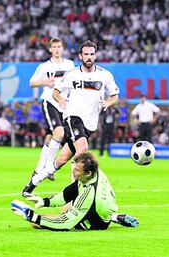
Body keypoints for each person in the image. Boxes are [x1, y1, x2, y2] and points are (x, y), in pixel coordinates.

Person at [22, 40, 119, 196]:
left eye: (92, 54)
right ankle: (79, 192)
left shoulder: (105, 75)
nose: (89, 57)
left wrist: (108, 102)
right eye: (86, 54)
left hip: (90, 123)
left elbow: (115, 97)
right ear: (80, 56)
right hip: (73, 116)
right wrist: (60, 100)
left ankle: (32, 183)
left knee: (62, 160)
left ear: (95, 55)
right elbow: (55, 92)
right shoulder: (72, 74)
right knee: (83, 149)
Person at [12, 152, 139, 231]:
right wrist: (45, 201)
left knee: (39, 223)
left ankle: (109, 218)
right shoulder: (97, 173)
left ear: (88, 173)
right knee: (67, 206)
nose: (73, 172)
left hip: (96, 223)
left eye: (77, 170)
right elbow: (69, 193)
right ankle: (114, 217)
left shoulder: (88, 196)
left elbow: (65, 224)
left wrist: (34, 217)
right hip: (103, 207)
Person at [22, 38, 74, 195]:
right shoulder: (44, 66)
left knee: (51, 137)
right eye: (54, 47)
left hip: (65, 103)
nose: (57, 49)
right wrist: (44, 81)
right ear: (50, 49)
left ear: (63, 49)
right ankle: (49, 167)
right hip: (50, 101)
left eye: (59, 46)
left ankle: (39, 170)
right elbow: (32, 82)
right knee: (59, 133)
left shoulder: (70, 65)